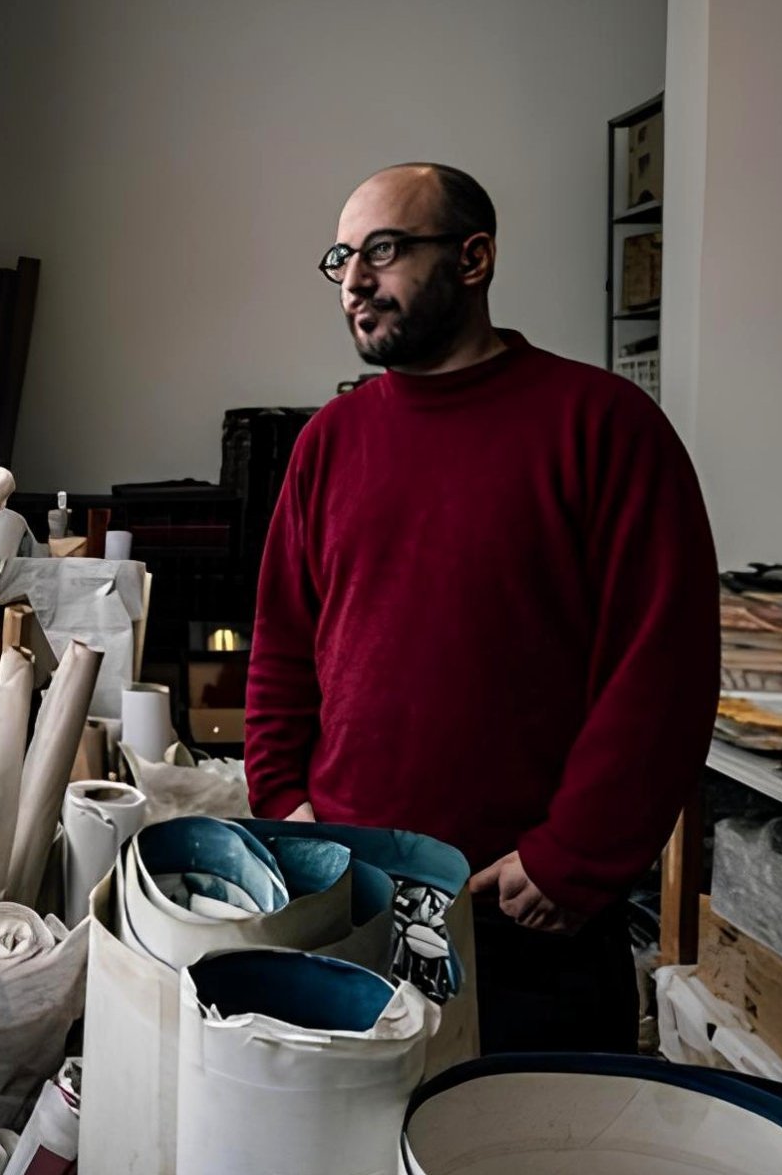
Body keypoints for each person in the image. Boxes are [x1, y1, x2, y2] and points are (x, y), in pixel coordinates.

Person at [243, 162, 719, 1052]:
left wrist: (574, 856)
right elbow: (282, 644)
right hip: (351, 908)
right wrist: (283, 802)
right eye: (342, 257)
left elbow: (665, 669)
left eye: (383, 250)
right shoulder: (329, 443)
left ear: (474, 259)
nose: (353, 280)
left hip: (526, 919)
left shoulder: (603, 427)